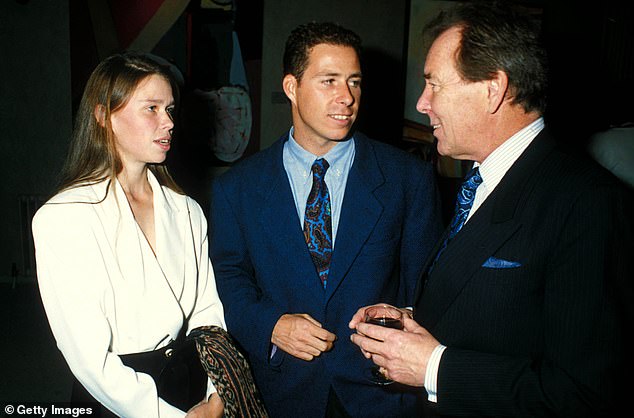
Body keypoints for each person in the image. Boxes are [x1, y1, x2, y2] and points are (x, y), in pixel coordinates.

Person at [350, 2, 633, 417]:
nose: (423, 103)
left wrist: (433, 367)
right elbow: (506, 312)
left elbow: (585, 394)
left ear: (493, 89)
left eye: (434, 85)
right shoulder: (482, 180)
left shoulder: (589, 204)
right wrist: (412, 320)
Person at [209, 22, 443, 418]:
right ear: (291, 88)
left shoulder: (407, 178)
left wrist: (407, 318)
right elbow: (228, 277)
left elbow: (430, 281)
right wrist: (271, 325)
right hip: (280, 393)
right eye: (329, 81)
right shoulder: (238, 188)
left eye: (354, 82)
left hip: (380, 396)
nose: (347, 97)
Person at [32, 52, 227, 418]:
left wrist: (217, 394)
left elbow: (208, 311)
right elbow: (88, 357)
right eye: (151, 108)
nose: (168, 122)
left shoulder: (187, 210)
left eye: (170, 109)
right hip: (117, 400)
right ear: (104, 115)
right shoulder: (63, 218)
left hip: (193, 388)